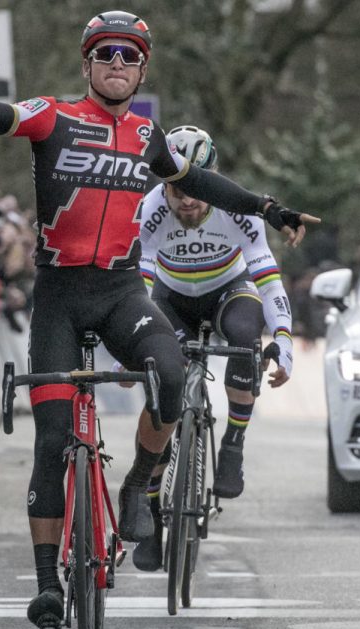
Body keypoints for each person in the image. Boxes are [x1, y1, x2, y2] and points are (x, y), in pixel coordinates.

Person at [0, 10, 319, 629]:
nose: (117, 65)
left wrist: (268, 207)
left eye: (128, 57)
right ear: (87, 64)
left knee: (174, 377)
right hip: (60, 296)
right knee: (50, 441)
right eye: (106, 55)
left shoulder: (149, 136)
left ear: (142, 68)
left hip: (123, 291)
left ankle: (139, 485)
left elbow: (202, 179)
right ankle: (48, 585)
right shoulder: (55, 114)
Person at [131, 125, 294, 570]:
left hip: (229, 290)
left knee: (244, 338)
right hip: (171, 297)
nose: (186, 200)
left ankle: (234, 445)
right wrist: (135, 341)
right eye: (176, 189)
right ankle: (150, 510)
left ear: (212, 179)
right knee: (162, 386)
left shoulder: (237, 210)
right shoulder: (149, 210)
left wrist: (282, 339)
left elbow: (267, 277)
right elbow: (139, 285)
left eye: (195, 189)